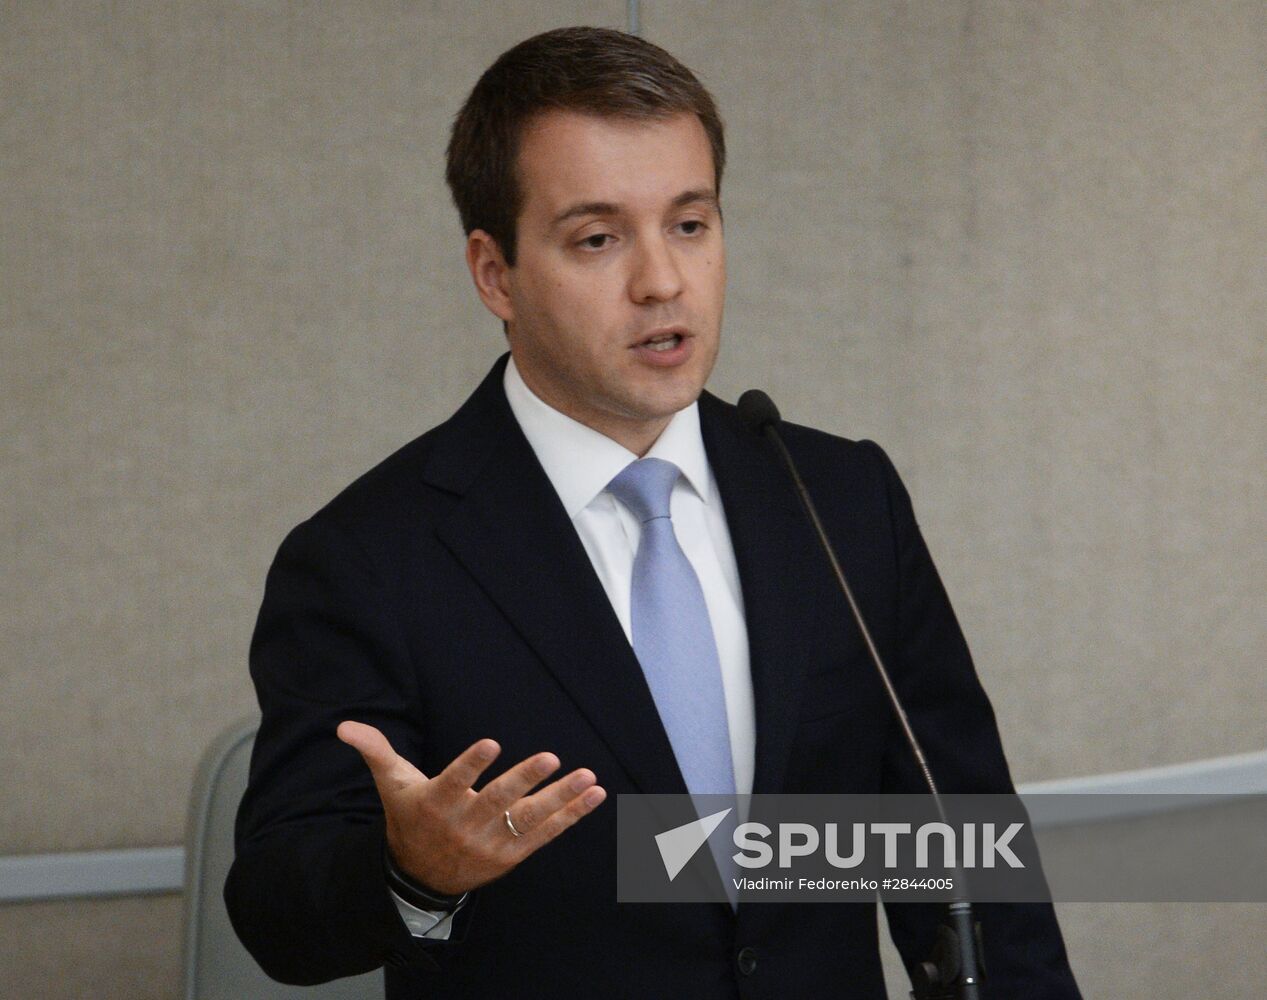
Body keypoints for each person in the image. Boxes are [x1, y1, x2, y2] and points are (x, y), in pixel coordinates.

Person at [226, 26, 1081, 999]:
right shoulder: (370, 558)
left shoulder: (840, 502)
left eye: (690, 224)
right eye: (598, 238)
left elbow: (960, 856)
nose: (663, 282)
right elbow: (275, 912)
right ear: (493, 272)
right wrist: (408, 868)